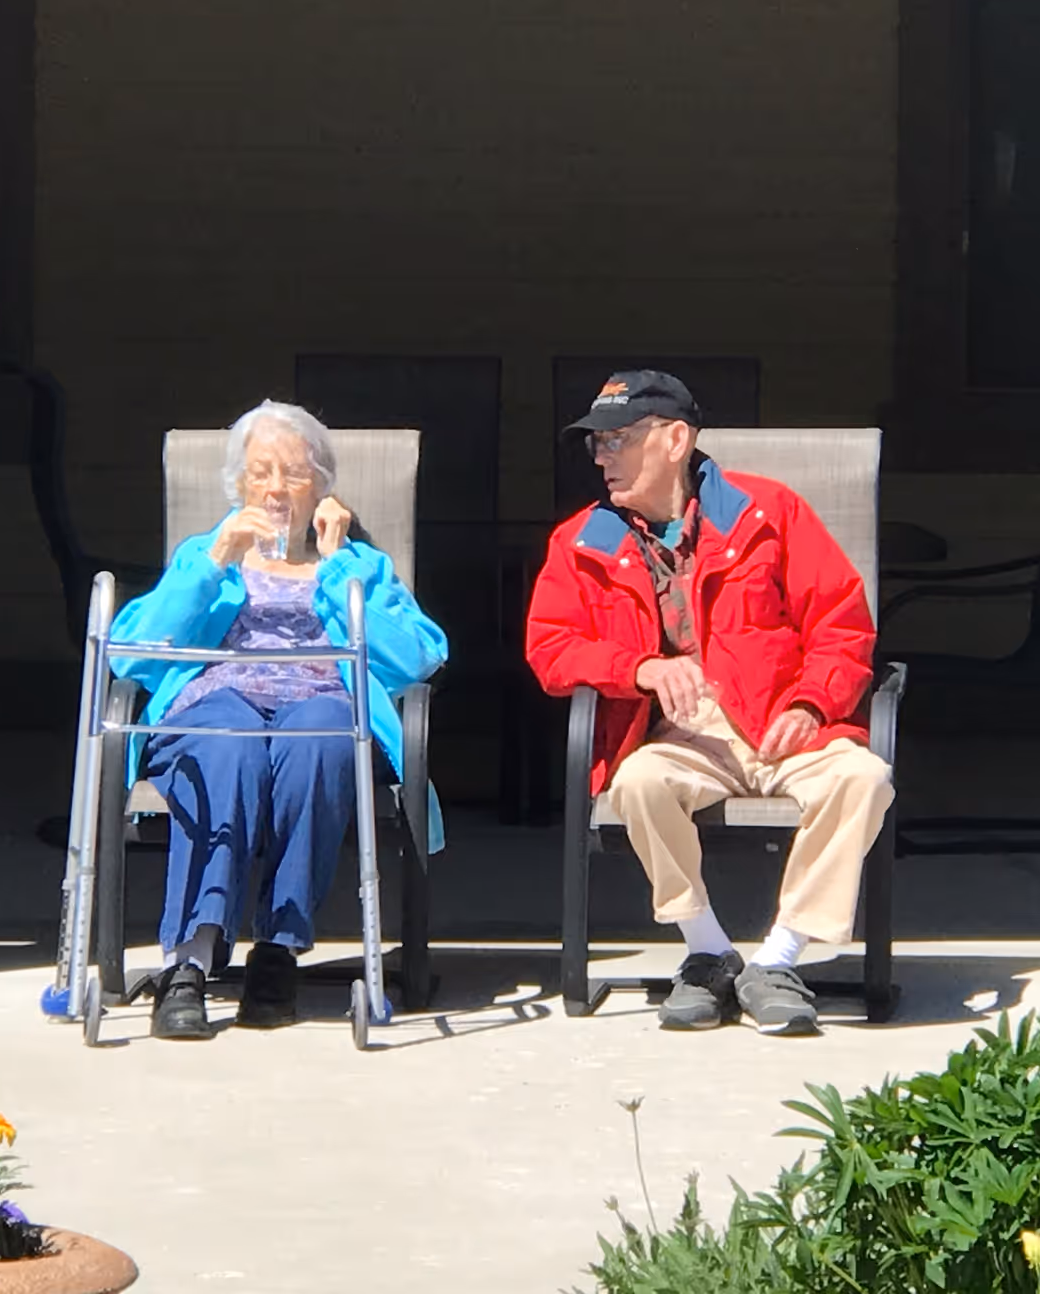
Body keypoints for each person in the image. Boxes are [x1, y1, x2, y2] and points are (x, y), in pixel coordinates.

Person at [526, 371, 894, 1035]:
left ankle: (779, 959)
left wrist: (812, 703)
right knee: (638, 782)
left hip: (783, 724)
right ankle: (708, 950)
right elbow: (550, 649)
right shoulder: (586, 539)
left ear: (674, 439)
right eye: (597, 445)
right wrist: (637, 667)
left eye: (617, 440)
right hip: (683, 739)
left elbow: (842, 624)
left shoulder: (768, 513)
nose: (602, 457)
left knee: (865, 776)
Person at [110, 401, 447, 1040]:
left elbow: (415, 661)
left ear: (322, 487)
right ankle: (190, 961)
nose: (274, 489)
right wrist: (214, 564)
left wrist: (338, 563)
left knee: (317, 739)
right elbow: (132, 654)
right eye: (260, 473)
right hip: (215, 704)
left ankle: (277, 952)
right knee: (228, 743)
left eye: (293, 474)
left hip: (322, 704)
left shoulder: (360, 565)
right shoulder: (202, 556)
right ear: (236, 484)